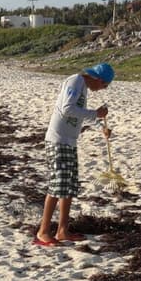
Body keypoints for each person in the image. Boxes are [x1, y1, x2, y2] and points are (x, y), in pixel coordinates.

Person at [34, 63, 113, 247]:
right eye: (105, 85)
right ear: (99, 79)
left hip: (69, 141)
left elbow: (80, 115)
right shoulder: (75, 81)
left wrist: (101, 127)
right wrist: (96, 113)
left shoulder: (83, 88)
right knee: (57, 185)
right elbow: (67, 109)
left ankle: (63, 230)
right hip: (57, 140)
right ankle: (43, 232)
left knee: (68, 187)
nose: (102, 89)